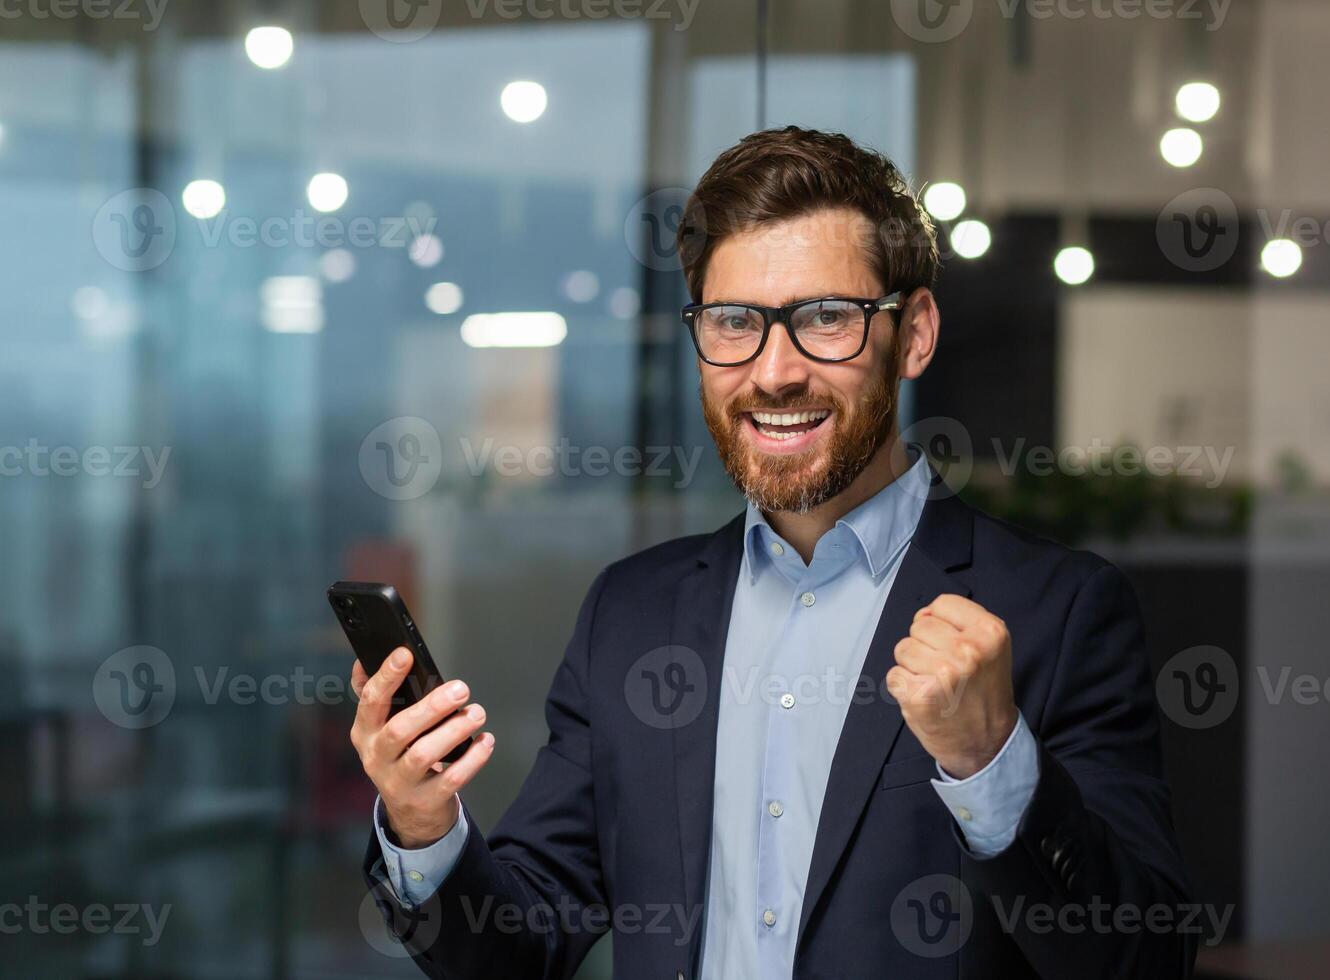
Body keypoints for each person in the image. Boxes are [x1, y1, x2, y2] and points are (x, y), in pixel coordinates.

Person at [349, 126, 1195, 979]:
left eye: (827, 317)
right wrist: (424, 829)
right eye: (734, 322)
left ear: (916, 335)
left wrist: (993, 766)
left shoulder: (1059, 611)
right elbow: (516, 952)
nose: (774, 371)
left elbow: (1147, 961)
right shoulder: (631, 613)